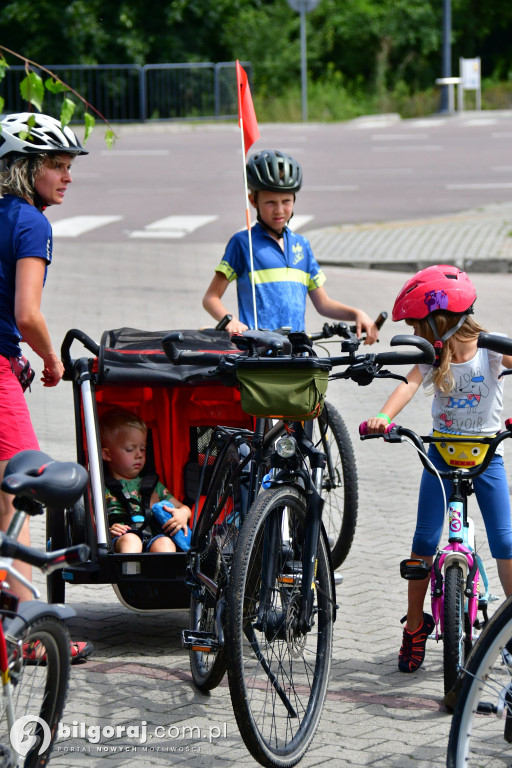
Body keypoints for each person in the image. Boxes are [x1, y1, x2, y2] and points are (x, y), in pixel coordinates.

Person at [364, 264, 512, 674]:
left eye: (417, 323)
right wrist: (382, 417)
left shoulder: (492, 350)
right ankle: (414, 626)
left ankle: (511, 630)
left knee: (506, 540)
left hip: (486, 457)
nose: (414, 332)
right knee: (424, 539)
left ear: (439, 321)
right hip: (441, 457)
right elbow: (408, 386)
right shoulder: (433, 356)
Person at [0, 111, 93, 662]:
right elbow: (28, 313)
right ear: (24, 168)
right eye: (56, 165)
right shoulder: (31, 223)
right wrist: (50, 359)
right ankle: (25, 634)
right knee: (18, 500)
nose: (67, 176)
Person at [202, 149, 379, 342]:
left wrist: (357, 314)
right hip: (257, 351)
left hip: (296, 352)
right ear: (253, 201)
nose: (279, 210)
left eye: (286, 201)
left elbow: (323, 304)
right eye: (270, 202)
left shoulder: (302, 246)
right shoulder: (242, 243)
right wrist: (230, 320)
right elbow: (211, 298)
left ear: (294, 199)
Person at [100, 409, 192, 553]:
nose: (139, 455)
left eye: (143, 449)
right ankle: (130, 573)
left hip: (153, 535)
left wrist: (183, 515)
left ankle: (165, 575)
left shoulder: (153, 485)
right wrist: (108, 530)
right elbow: (91, 523)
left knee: (165, 543)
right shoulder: (101, 487)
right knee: (131, 540)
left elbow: (183, 507)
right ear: (107, 454)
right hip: (121, 537)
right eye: (130, 449)